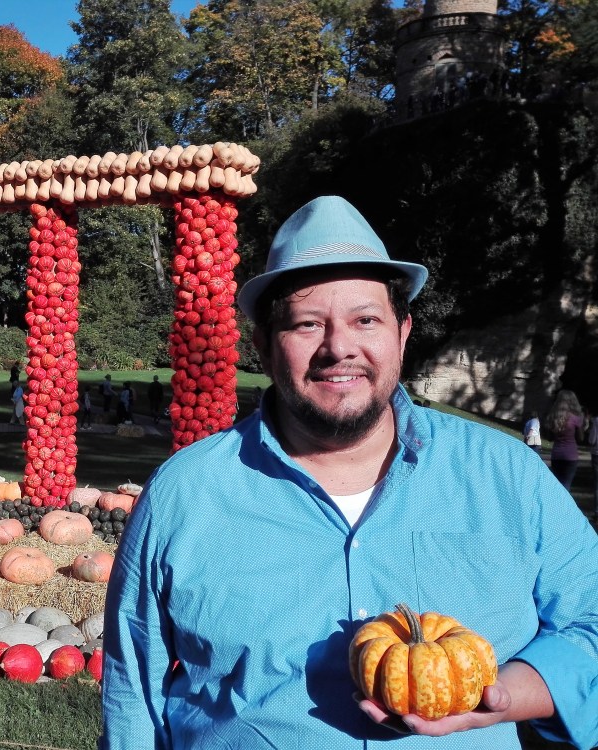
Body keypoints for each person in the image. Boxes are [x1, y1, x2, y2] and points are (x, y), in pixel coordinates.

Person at [100, 196, 598, 750]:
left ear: (403, 332)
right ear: (264, 346)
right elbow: (133, 687)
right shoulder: (185, 493)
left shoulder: (508, 476)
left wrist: (502, 698)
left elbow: (593, 618)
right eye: (308, 324)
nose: (339, 348)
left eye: (366, 320)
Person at [543, 389, 585, 490]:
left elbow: (549, 438)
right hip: (570, 456)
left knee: (557, 486)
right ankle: (564, 505)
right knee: (566, 486)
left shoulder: (554, 418)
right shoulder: (575, 419)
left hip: (556, 454)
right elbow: (581, 438)